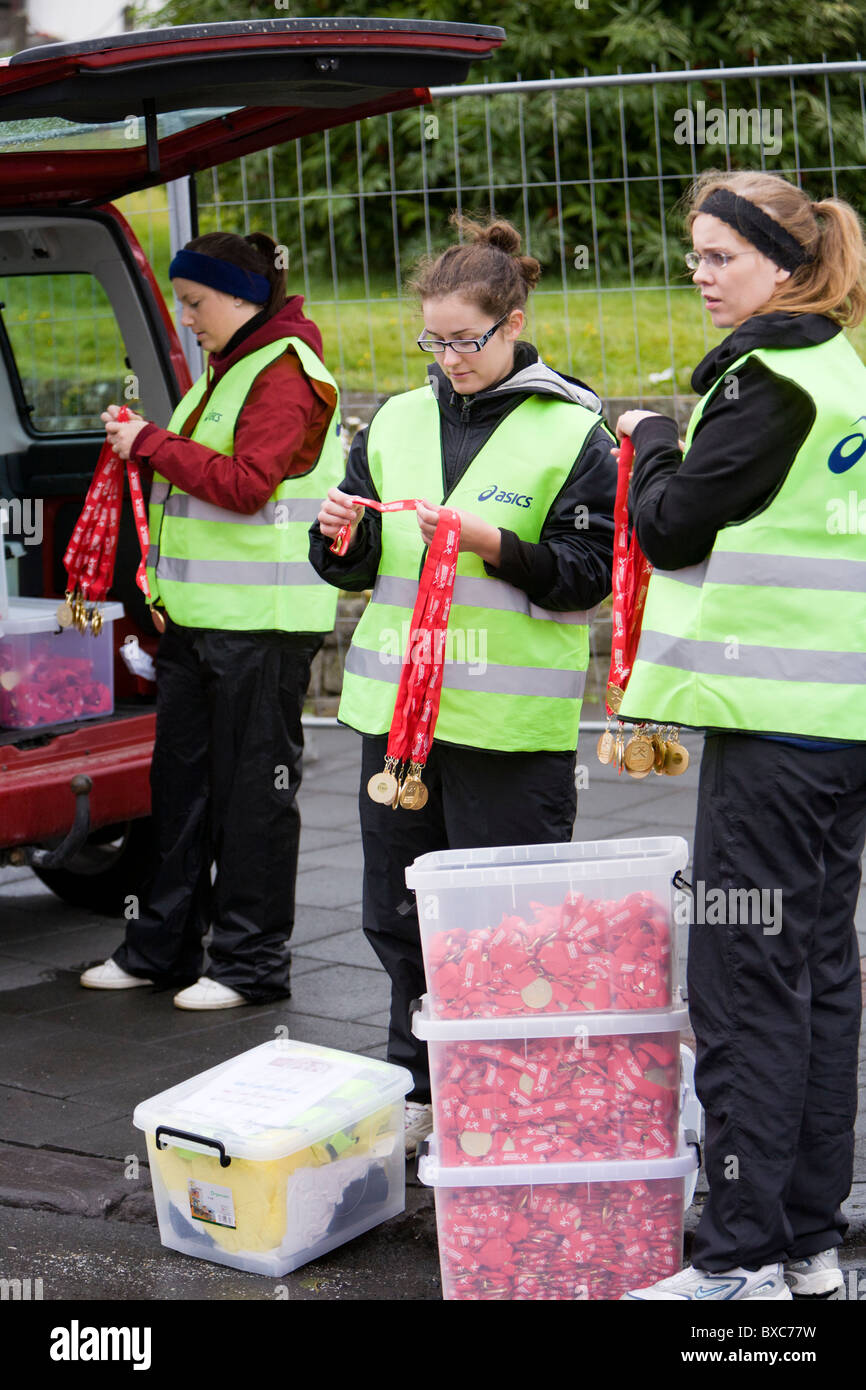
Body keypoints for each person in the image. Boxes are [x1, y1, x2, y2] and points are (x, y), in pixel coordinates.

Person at [309, 215, 617, 1152]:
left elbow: (590, 571)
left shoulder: (574, 429)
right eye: (432, 340)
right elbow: (356, 569)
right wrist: (340, 537)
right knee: (396, 913)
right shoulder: (396, 419)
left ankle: (513, 1095)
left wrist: (497, 547)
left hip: (505, 723)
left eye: (466, 340)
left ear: (513, 324)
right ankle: (421, 1086)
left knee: (509, 927)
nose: (448, 358)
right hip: (397, 718)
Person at [614, 170, 866, 1300]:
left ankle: (735, 1261)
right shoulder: (837, 366)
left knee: (745, 990)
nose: (698, 272)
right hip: (833, 724)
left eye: (719, 255)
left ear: (780, 260)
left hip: (774, 732)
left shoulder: (769, 381)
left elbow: (669, 530)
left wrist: (652, 437)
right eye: (693, 253)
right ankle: (807, 1242)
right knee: (814, 981)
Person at [80, 231, 343, 1009]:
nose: (186, 318)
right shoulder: (233, 369)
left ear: (240, 297)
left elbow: (246, 484)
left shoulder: (284, 372)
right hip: (204, 623)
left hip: (261, 624)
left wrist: (150, 442)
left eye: (194, 302)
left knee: (251, 799)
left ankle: (249, 965)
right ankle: (161, 949)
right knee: (182, 789)